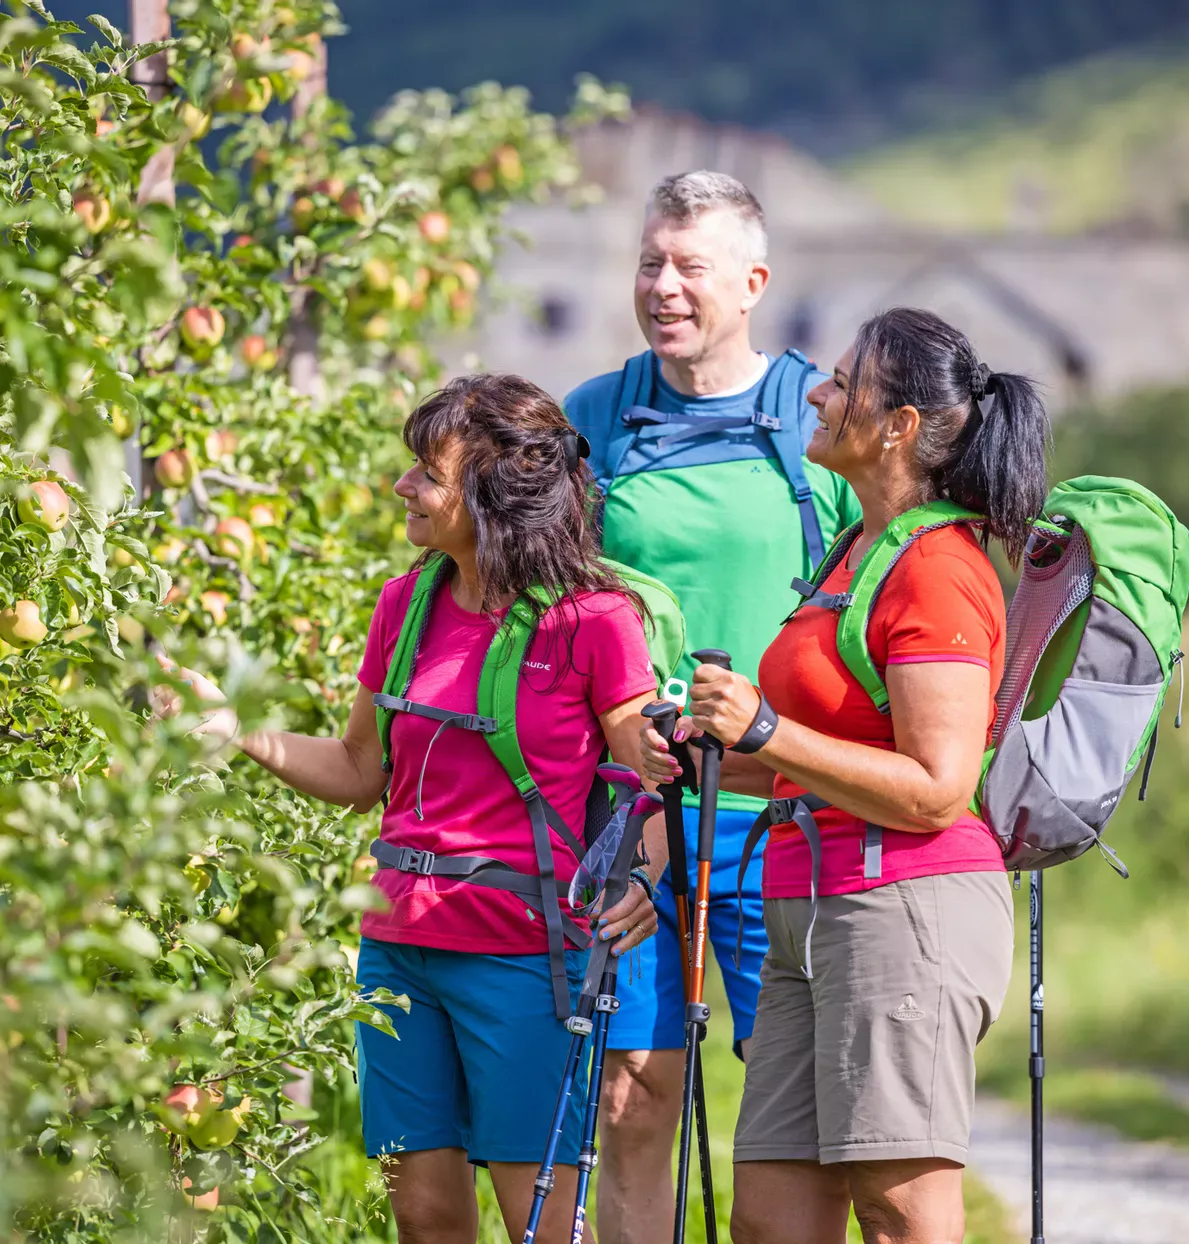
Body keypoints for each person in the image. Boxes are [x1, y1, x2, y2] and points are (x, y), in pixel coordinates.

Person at [157, 373, 666, 1244]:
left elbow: (644, 778)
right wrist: (236, 731)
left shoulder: (594, 622)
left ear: (493, 491)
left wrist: (647, 878)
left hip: (521, 953)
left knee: (536, 1217)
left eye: (425, 472)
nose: (403, 487)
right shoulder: (406, 604)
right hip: (398, 952)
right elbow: (362, 768)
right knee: (421, 1213)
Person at [640, 307, 1050, 1244]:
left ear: (898, 425)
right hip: (805, 907)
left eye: (839, 382)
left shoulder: (938, 566)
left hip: (902, 909)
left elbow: (938, 786)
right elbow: (807, 760)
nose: (816, 396)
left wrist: (767, 728)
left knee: (899, 1213)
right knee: (772, 1220)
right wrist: (706, 754)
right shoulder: (854, 548)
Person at [564, 169, 861, 1243]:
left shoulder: (819, 419)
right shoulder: (592, 419)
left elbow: (867, 613)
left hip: (776, 822)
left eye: (689, 265)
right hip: (635, 824)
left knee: (799, 1110)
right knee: (631, 1092)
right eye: (648, 261)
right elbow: (554, 615)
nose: (662, 285)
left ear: (752, 280)